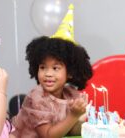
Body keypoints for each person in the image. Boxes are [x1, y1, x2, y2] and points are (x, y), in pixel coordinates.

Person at [12, 4, 93, 138]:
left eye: (55, 68)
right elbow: (48, 135)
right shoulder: (37, 97)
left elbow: (70, 130)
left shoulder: (71, 95)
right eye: (43, 67)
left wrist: (82, 118)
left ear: (70, 72)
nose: (48, 73)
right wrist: (73, 115)